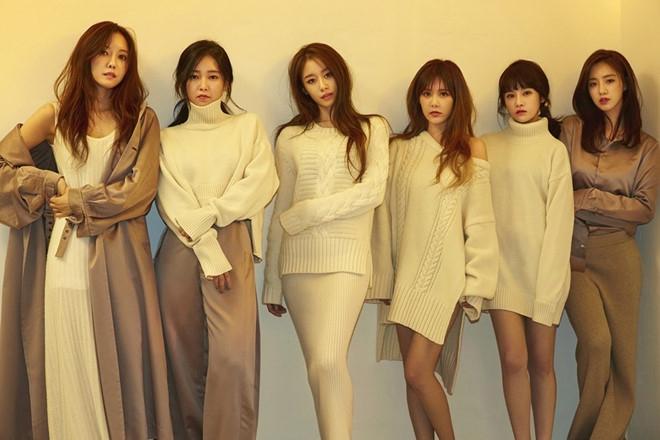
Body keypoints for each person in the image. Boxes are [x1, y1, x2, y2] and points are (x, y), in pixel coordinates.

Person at [0, 21, 172, 439]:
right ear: (86, 56)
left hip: (120, 260)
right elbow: (4, 167)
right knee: (67, 360)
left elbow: (140, 193)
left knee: (115, 364)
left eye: (122, 56)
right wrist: (49, 183)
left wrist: (81, 201)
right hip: (63, 260)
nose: (113, 63)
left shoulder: (141, 120)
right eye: (104, 53)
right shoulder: (55, 114)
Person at [263, 42, 390, 440]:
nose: (323, 86)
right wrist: (272, 282)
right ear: (302, 89)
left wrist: (309, 213)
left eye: (327, 74)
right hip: (297, 266)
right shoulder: (290, 137)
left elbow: (373, 192)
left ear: (341, 73)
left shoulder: (372, 128)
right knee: (318, 367)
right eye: (311, 80)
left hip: (347, 261)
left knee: (329, 360)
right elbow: (281, 209)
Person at [154, 39, 278, 440]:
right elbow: (170, 199)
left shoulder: (247, 127)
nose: (203, 85)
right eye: (194, 77)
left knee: (233, 359)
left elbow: (261, 183)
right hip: (182, 247)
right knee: (182, 357)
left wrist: (211, 216)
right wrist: (208, 249)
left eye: (213, 76)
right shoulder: (167, 138)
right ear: (182, 83)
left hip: (231, 241)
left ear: (227, 83)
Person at [371, 59, 498, 440]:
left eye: (443, 93)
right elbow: (385, 218)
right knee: (412, 377)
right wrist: (385, 276)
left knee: (418, 371)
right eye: (427, 94)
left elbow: (480, 222)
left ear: (457, 99)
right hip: (405, 278)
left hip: (446, 282)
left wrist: (476, 283)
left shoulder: (472, 149)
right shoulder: (400, 149)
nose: (434, 102)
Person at [561, 49, 658, 440]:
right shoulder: (571, 130)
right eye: (593, 83)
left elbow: (644, 209)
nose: (601, 90)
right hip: (573, 253)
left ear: (625, 85)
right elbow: (555, 190)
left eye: (609, 80)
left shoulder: (647, 148)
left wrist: (588, 198)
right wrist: (608, 203)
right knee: (596, 344)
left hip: (619, 255)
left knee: (622, 362)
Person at [481, 60, 573, 440]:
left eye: (527, 92)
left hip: (542, 274)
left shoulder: (554, 151)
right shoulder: (487, 145)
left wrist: (551, 288)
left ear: (543, 99)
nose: (518, 101)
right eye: (510, 94)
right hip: (501, 272)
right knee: (513, 360)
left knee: (543, 365)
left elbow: (560, 224)